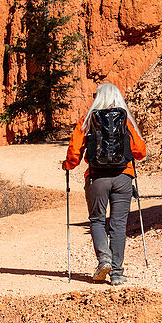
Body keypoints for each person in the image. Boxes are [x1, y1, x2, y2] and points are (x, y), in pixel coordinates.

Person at [62, 82, 146, 286]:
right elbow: (140, 152)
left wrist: (67, 165)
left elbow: (74, 153)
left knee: (98, 221)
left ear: (98, 98)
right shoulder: (125, 121)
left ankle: (104, 260)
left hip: (97, 178)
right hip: (123, 178)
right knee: (118, 225)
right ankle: (117, 273)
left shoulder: (88, 119)